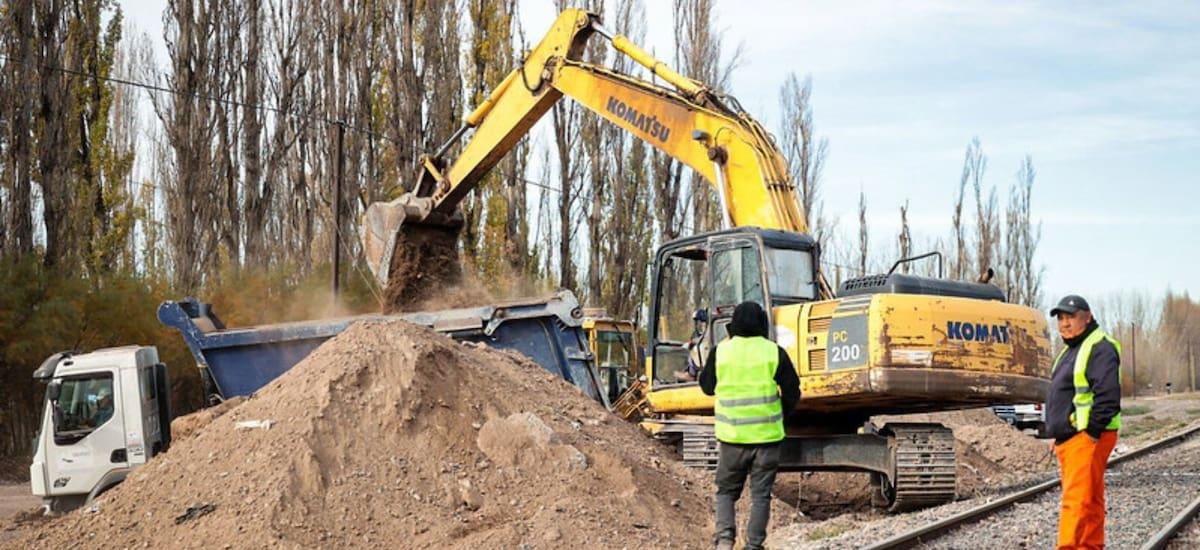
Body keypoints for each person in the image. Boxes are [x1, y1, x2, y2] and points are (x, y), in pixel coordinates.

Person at [699, 301, 800, 550]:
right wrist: (781, 413)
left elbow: (707, 387)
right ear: (762, 324)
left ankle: (725, 540)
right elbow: (793, 392)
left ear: (733, 324)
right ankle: (754, 546)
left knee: (725, 492)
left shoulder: (721, 351)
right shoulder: (774, 352)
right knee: (761, 495)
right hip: (767, 439)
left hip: (732, 438)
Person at [1046, 294, 1121, 550]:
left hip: (1085, 436)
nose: (1064, 323)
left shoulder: (1099, 347)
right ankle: (1090, 546)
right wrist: (1056, 433)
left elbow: (1108, 396)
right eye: (1060, 318)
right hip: (1073, 437)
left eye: (1070, 317)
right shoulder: (1071, 350)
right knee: (1089, 499)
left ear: (1087, 317)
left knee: (1075, 501)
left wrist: (1091, 433)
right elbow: (1063, 396)